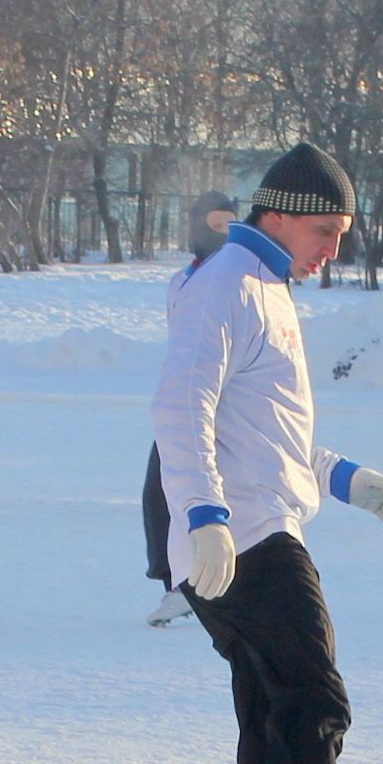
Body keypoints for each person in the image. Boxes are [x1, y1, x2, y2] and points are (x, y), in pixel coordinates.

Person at [151, 144, 383, 764]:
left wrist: (344, 477)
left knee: (277, 730)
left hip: (254, 527)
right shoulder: (229, 283)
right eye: (323, 229)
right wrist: (204, 515)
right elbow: (181, 405)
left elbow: (269, 433)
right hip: (245, 540)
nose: (333, 248)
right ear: (277, 213)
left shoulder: (264, 288)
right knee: (316, 708)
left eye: (341, 233)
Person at [145, 191, 238, 627]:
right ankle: (178, 584)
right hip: (184, 408)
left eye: (229, 226)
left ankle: (201, 587)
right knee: (159, 493)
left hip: (226, 409)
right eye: (214, 226)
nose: (222, 236)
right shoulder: (181, 282)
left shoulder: (236, 281)